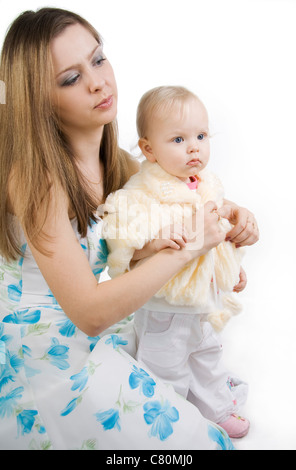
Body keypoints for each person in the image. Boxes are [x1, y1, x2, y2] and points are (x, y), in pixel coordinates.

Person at [0, 8, 258, 450]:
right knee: (193, 441)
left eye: (98, 59)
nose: (99, 82)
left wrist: (229, 215)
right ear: (37, 98)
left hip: (88, 331)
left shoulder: (116, 163)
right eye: (70, 78)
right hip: (44, 355)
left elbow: (169, 195)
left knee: (183, 361)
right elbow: (91, 314)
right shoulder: (40, 181)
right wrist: (189, 247)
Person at [102, 86, 254, 438]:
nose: (194, 147)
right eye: (178, 139)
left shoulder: (206, 186)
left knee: (207, 356)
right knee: (164, 367)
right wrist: (152, 243)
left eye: (201, 136)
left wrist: (230, 271)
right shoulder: (140, 191)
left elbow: (216, 238)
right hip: (164, 306)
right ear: (148, 149)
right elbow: (121, 240)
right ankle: (167, 422)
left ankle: (216, 408)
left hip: (202, 302)